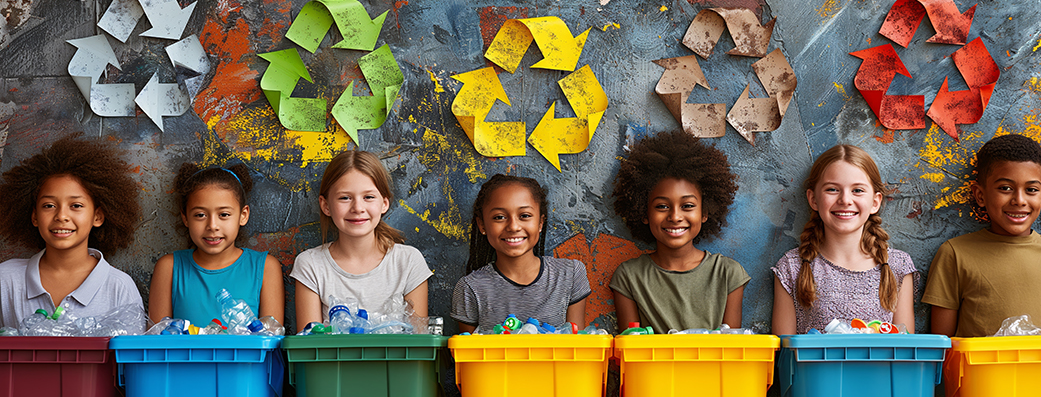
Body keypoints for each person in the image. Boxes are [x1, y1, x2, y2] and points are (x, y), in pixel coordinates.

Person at [922, 134, 1041, 336]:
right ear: (980, 195)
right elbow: (943, 345)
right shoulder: (955, 253)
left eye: (1031, 190)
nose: (1019, 200)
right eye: (1005, 188)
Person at [609, 130, 748, 332]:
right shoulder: (629, 276)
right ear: (644, 213)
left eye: (687, 206)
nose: (675, 217)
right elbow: (630, 346)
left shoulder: (728, 273)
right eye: (662, 206)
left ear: (705, 212)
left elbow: (731, 346)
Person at [0, 134, 144, 329]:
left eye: (76, 205)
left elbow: (131, 349)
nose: (61, 216)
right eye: (49, 205)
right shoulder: (5, 279)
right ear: (34, 216)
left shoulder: (119, 287)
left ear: (98, 216)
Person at [771, 145, 917, 335]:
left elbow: (906, 347)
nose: (845, 200)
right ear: (813, 199)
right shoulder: (792, 267)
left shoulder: (898, 266)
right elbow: (785, 348)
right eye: (832, 189)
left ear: (875, 202)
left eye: (857, 190)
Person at [290, 151, 431, 329]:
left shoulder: (408, 262)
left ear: (384, 204)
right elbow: (309, 342)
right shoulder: (310, 265)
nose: (357, 208)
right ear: (325, 205)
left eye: (368, 197)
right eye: (345, 198)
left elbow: (419, 339)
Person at [450, 174, 591, 333]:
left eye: (524, 216)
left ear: (540, 223)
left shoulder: (569, 275)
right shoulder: (470, 288)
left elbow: (577, 342)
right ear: (482, 225)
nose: (513, 227)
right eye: (499, 217)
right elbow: (468, 347)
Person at [147, 163, 284, 325]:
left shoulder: (265, 267)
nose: (212, 226)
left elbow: (272, 335)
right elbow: (156, 336)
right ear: (185, 218)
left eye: (224, 214)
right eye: (200, 215)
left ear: (243, 215)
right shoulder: (169, 268)